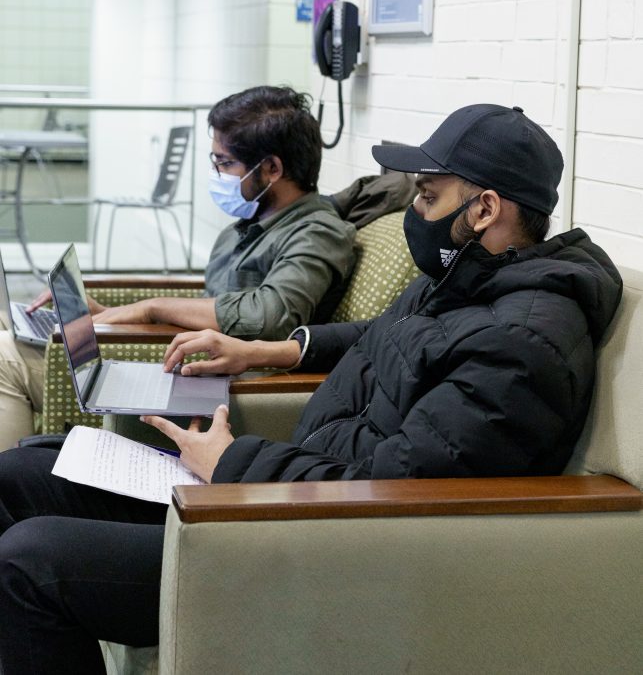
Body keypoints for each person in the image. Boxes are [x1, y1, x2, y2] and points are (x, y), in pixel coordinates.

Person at [0, 104, 622, 673]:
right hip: (282, 494)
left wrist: (232, 462)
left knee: (29, 561)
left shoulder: (521, 345)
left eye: (428, 198)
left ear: (485, 209)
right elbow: (382, 336)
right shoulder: (468, 284)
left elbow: (402, 493)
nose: (413, 214)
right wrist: (270, 349)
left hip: (323, 548)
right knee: (25, 472)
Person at [0, 85, 356, 449]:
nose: (217, 173)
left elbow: (270, 314)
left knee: (3, 358)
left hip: (224, 383)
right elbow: (213, 308)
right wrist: (110, 314)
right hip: (184, 363)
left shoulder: (317, 233)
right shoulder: (254, 224)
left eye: (225, 162)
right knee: (8, 325)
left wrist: (152, 308)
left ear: (272, 168)